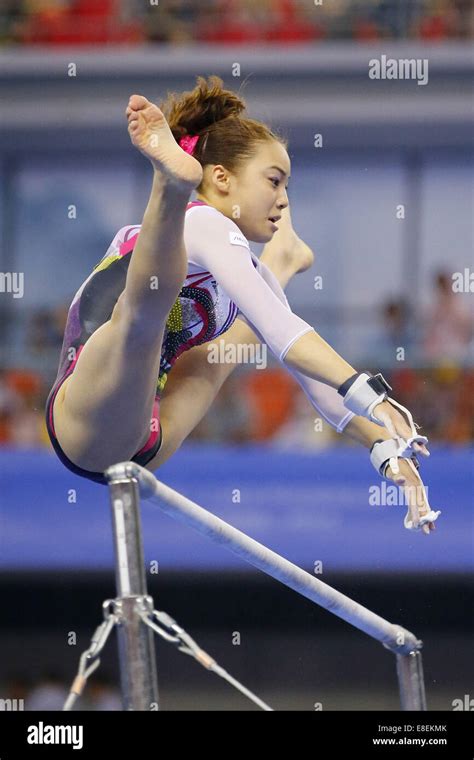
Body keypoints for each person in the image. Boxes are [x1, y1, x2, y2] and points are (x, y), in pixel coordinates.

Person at [45, 76, 440, 534]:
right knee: (142, 318)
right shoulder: (205, 224)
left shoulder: (245, 270)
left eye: (286, 186)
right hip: (86, 413)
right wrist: (377, 397)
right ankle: (167, 188)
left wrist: (387, 454)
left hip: (146, 439)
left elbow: (314, 380)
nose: (283, 199)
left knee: (215, 358)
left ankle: (283, 258)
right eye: (273, 181)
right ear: (220, 177)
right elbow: (284, 335)